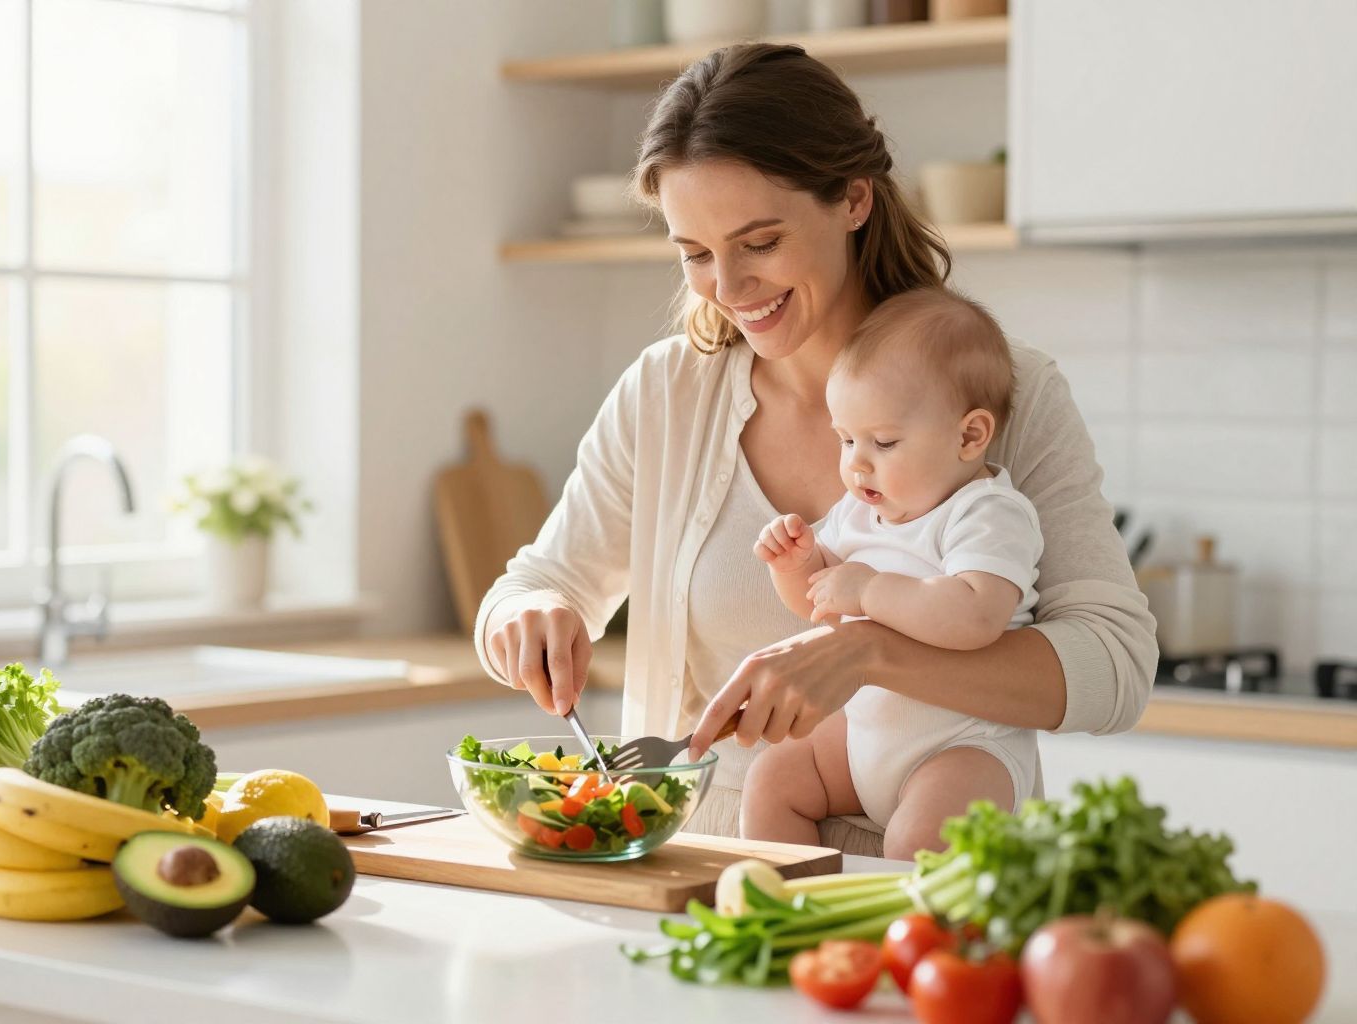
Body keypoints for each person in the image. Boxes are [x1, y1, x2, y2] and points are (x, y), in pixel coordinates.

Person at [473, 42, 1156, 855]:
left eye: (759, 243)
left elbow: (1114, 665)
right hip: (703, 870)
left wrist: (869, 652)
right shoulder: (666, 395)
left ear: (854, 200)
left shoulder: (1002, 394)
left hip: (941, 891)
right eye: (695, 254)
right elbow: (537, 584)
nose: (727, 288)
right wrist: (524, 618)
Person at [744, 287, 1042, 859]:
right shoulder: (861, 512)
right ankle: (785, 916)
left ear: (969, 436)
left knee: (919, 839)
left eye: (882, 442)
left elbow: (976, 614)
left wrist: (870, 589)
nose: (856, 462)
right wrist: (800, 563)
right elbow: (818, 603)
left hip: (963, 743)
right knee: (775, 778)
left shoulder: (986, 512)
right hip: (864, 737)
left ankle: (908, 943)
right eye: (846, 439)